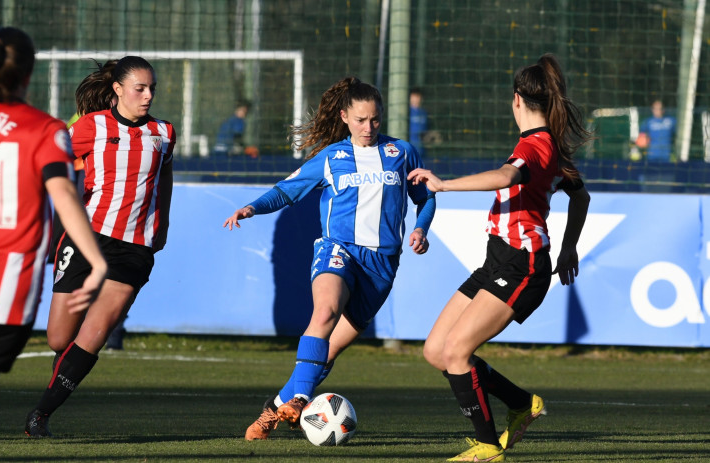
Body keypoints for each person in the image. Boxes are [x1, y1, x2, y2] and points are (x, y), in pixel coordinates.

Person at [224, 76, 436, 441]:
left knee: (329, 351)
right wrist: (252, 208)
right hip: (337, 249)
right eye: (360, 120)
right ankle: (301, 399)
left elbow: (426, 197)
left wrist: (420, 229)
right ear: (343, 116)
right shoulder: (331, 157)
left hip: (382, 265)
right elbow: (287, 191)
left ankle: (273, 411)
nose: (368, 127)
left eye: (374, 120)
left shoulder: (402, 153)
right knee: (324, 313)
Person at [407, 54, 590, 462]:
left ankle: (488, 446)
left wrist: (444, 185)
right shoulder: (549, 147)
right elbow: (581, 195)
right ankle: (522, 404)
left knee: (457, 352)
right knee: (437, 350)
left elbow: (507, 176)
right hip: (497, 262)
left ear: (517, 101)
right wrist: (569, 245)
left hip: (521, 265)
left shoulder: (537, 145)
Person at [0, 27, 106, 458]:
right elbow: (63, 193)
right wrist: (96, 261)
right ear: (29, 73)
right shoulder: (44, 129)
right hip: (6, 292)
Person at [24, 55, 175, 437]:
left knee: (95, 332)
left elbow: (165, 175)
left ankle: (39, 416)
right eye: (139, 88)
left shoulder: (164, 132)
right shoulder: (91, 127)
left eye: (151, 89)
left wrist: (164, 223)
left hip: (134, 248)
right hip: (86, 237)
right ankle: (64, 368)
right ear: (118, 89)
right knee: (59, 338)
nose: (147, 96)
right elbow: (51, 163)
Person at [47, 60, 127, 351]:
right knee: (59, 337)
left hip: (121, 229)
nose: (145, 96)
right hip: (82, 208)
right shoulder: (86, 123)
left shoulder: (156, 131)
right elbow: (59, 159)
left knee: (116, 278)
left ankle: (113, 334)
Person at [409, 88, 428, 156]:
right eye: (414, 96)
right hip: (408, 150)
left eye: (418, 96)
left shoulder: (424, 113)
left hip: (421, 151)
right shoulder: (407, 111)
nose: (417, 99)